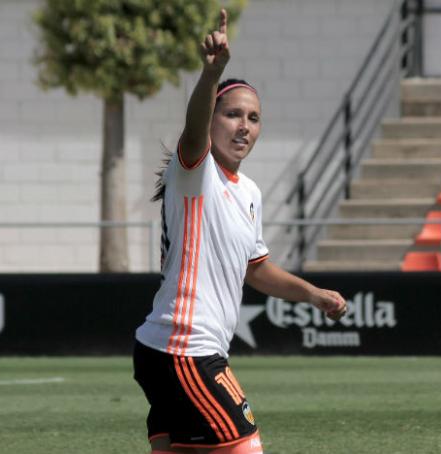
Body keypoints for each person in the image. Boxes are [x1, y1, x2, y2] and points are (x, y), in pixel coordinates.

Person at [133, 9, 347, 454]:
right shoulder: (195, 170)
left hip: (175, 353)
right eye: (232, 114)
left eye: (253, 117)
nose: (244, 126)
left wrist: (314, 294)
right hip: (185, 350)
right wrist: (212, 74)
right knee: (246, 447)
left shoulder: (247, 191)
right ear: (212, 119)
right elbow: (192, 132)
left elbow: (258, 269)